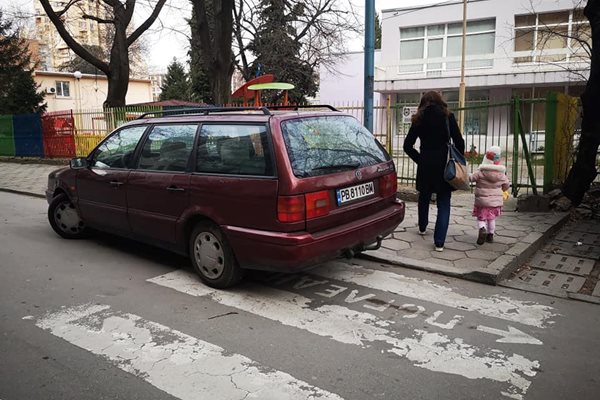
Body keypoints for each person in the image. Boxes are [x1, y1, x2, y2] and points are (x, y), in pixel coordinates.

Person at [403, 91, 465, 252]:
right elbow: (459, 142)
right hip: (444, 165)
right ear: (440, 101)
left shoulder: (418, 119)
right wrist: (456, 159)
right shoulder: (448, 117)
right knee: (444, 202)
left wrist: (420, 159)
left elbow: (407, 146)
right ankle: (439, 242)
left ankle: (423, 227)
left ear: (423, 103)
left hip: (425, 164)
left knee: (424, 195)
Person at [468, 146, 510, 245]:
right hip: (495, 202)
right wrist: (503, 189)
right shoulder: (501, 175)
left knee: (481, 218)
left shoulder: (480, 173)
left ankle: (482, 229)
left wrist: (467, 173)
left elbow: (470, 178)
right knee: (491, 219)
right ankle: (490, 235)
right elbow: (506, 185)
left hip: (482, 202)